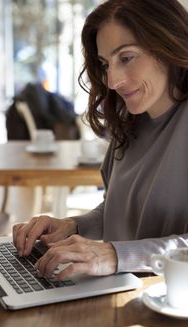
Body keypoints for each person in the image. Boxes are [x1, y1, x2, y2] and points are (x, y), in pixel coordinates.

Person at [13, 0, 188, 280]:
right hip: (117, 291)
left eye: (127, 57)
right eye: (106, 63)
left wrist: (116, 255)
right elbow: (117, 207)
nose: (112, 80)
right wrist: (74, 226)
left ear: (168, 45)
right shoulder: (130, 120)